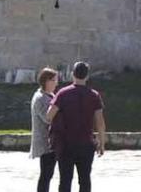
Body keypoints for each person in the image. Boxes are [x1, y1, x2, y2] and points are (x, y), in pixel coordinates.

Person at [46, 61, 106, 192]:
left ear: (72, 74)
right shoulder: (94, 95)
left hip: (65, 144)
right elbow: (100, 122)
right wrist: (101, 143)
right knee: (85, 180)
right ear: (87, 76)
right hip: (86, 144)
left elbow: (49, 116)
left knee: (65, 180)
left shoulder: (62, 93)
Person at [31, 68, 59, 192]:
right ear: (46, 81)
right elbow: (47, 119)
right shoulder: (40, 98)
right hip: (45, 142)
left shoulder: (50, 95)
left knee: (48, 174)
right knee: (46, 175)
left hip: (51, 142)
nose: (56, 83)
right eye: (53, 80)